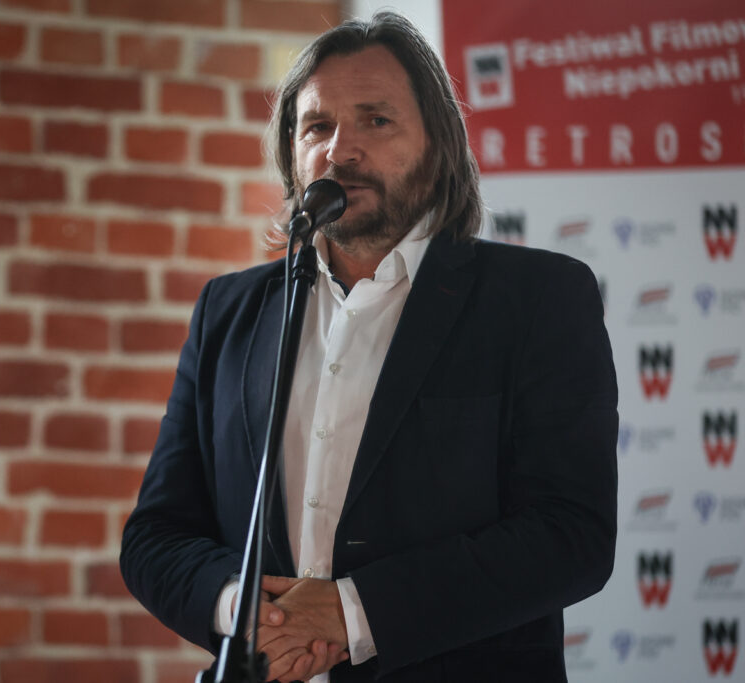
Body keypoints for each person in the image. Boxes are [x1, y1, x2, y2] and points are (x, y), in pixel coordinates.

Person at [120, 11, 617, 683]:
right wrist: (249, 613)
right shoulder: (227, 312)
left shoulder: (539, 299)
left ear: (437, 146)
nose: (339, 151)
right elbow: (155, 536)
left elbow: (571, 534)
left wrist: (349, 614)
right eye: (317, 126)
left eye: (376, 121)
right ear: (290, 152)